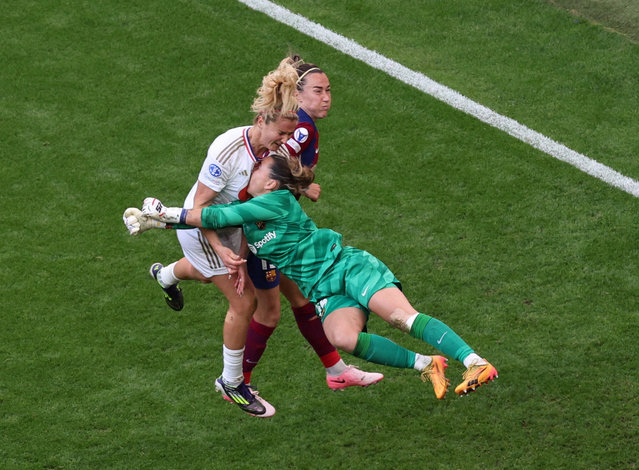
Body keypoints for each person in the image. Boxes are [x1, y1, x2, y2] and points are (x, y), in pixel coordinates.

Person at [124, 153, 499, 400]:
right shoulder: (248, 210)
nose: (250, 172)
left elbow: (215, 218)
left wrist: (167, 211)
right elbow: (221, 228)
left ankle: (475, 362)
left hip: (346, 267)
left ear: (270, 183)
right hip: (322, 289)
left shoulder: (278, 201)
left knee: (401, 317)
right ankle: (427, 364)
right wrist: (158, 222)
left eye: (257, 170)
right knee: (342, 338)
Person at [139, 60, 301, 418]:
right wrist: (224, 253)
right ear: (261, 121)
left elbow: (254, 211)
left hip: (234, 231)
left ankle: (165, 276)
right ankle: (231, 383)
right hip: (202, 230)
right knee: (245, 304)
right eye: (281, 134)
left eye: (291, 135)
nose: (285, 143)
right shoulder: (228, 149)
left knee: (216, 276)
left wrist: (240, 254)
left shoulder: (275, 156)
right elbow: (200, 208)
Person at [242, 55, 383, 391]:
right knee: (268, 312)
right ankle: (237, 382)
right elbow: (268, 168)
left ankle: (335, 370)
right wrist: (302, 185)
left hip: (274, 227)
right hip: (265, 231)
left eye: (329, 91)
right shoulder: (301, 127)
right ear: (299, 94)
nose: (326, 98)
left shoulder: (295, 122)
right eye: (318, 91)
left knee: (302, 299)